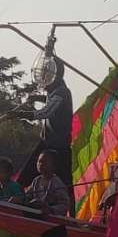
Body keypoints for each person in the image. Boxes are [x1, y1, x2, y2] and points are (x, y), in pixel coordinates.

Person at [18, 57, 74, 188]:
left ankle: (68, 208)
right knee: (27, 174)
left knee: (64, 183)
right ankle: (16, 199)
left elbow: (46, 112)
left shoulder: (62, 92)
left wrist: (22, 114)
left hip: (59, 146)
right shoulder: (54, 92)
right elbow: (50, 100)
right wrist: (38, 97)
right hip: (46, 142)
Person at [23, 150, 72, 216]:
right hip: (36, 214)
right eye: (39, 161)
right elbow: (28, 195)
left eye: (44, 162)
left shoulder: (56, 182)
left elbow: (64, 204)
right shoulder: (36, 180)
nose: (40, 164)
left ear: (54, 165)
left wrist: (50, 209)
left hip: (51, 218)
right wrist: (21, 199)